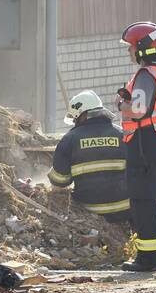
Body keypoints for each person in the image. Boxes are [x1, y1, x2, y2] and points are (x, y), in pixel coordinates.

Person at [118, 21, 156, 273]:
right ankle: (152, 256)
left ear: (142, 48)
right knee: (150, 200)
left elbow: (138, 111)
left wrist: (121, 105)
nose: (129, 52)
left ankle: (150, 259)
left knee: (143, 201)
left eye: (131, 47)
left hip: (144, 144)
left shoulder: (145, 74)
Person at [48, 90, 130, 222]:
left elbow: (59, 182)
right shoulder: (122, 134)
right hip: (126, 211)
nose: (75, 122)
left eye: (75, 119)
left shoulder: (69, 139)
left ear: (81, 115)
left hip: (90, 213)